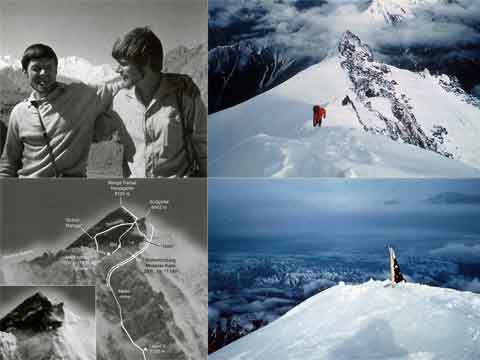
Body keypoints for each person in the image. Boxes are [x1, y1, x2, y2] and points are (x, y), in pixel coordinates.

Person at [0, 44, 126, 177]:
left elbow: (118, 87)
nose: (43, 73)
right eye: (36, 69)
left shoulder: (80, 95)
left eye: (48, 67)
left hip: (71, 191)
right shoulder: (19, 113)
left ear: (56, 70)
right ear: (25, 73)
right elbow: (9, 162)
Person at [109, 27, 207, 178]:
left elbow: (204, 148)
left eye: (123, 63)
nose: (117, 70)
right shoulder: (119, 101)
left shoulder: (184, 95)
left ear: (145, 61)